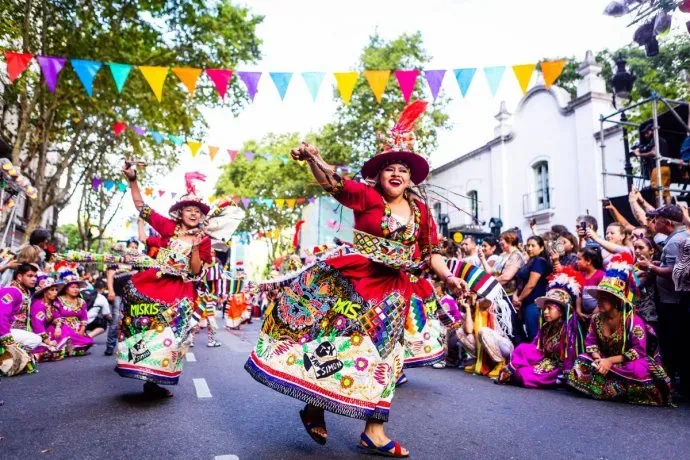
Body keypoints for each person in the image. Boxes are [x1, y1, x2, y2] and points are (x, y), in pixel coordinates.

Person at [245, 102, 466, 457]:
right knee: (332, 346)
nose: (396, 174)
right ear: (378, 176)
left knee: (385, 358)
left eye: (403, 170)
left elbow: (431, 252)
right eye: (390, 169)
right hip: (351, 284)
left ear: (411, 178)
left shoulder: (422, 211)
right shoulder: (367, 197)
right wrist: (313, 159)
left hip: (393, 294)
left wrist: (450, 278)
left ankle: (374, 431)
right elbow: (334, 183)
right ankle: (314, 403)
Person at [115, 165, 213, 398]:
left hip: (180, 292)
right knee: (145, 330)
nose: (193, 214)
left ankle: (155, 380)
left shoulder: (204, 240)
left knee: (171, 338)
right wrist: (133, 181)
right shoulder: (168, 228)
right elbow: (142, 208)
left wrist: (197, 248)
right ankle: (142, 374)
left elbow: (197, 270)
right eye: (189, 209)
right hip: (153, 285)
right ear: (180, 213)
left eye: (197, 212)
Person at [566, 253, 672, 406]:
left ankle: (604, 388)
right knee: (582, 360)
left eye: (604, 298)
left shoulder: (632, 321)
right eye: (599, 298)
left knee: (638, 370)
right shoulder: (596, 319)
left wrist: (609, 361)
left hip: (627, 362)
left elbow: (638, 352)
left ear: (616, 300)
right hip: (604, 361)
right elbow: (590, 344)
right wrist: (599, 360)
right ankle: (618, 390)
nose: (599, 302)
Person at [497, 268, 583, 388]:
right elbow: (535, 347)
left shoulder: (568, 329)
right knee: (522, 349)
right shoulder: (546, 327)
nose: (545, 312)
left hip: (557, 369)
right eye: (545, 309)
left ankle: (558, 380)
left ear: (561, 312)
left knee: (523, 375)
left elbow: (570, 355)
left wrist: (567, 374)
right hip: (543, 361)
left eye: (550, 309)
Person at [637, 204, 689, 391]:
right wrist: (658, 264)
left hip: (675, 304)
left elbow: (678, 271)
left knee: (676, 343)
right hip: (674, 302)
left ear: (667, 222)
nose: (653, 222)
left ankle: (679, 386)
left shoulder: (676, 241)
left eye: (656, 219)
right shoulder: (678, 238)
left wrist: (651, 268)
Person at [513, 236, 551, 341]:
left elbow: (531, 284)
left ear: (541, 248)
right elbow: (522, 282)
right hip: (525, 303)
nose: (529, 248)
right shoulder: (530, 261)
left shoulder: (539, 261)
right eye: (528, 245)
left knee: (534, 336)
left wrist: (519, 299)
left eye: (533, 246)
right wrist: (516, 295)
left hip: (534, 303)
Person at [0, 263, 41, 354]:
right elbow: (1, 314)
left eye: (35, 276)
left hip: (12, 330)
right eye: (30, 276)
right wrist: (7, 338)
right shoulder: (12, 291)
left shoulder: (25, 291)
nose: (34, 279)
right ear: (19, 277)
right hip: (4, 331)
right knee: (35, 340)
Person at [54, 269, 95, 356]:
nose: (76, 289)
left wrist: (82, 329)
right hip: (63, 327)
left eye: (77, 287)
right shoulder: (58, 300)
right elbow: (55, 314)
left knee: (88, 341)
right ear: (66, 289)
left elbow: (84, 317)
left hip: (77, 328)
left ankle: (74, 347)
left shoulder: (81, 301)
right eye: (72, 287)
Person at [29, 274, 70, 362]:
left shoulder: (51, 304)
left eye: (56, 290)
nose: (55, 292)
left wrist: (58, 327)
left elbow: (57, 316)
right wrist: (48, 341)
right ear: (45, 292)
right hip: (36, 333)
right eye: (52, 290)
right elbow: (37, 325)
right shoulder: (38, 305)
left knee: (64, 328)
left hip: (46, 331)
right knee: (49, 350)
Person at [632, 120, 671, 204]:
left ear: (652, 131)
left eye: (647, 132)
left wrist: (639, 154)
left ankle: (659, 213)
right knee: (666, 192)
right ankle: (669, 211)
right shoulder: (662, 140)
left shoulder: (655, 140)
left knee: (657, 191)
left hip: (658, 168)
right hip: (666, 168)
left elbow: (653, 153)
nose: (646, 135)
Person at [632, 237, 659, 330]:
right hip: (634, 311)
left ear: (651, 250)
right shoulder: (633, 266)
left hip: (648, 313)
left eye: (641, 248)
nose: (637, 251)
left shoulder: (653, 267)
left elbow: (635, 285)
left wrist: (635, 274)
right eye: (635, 247)